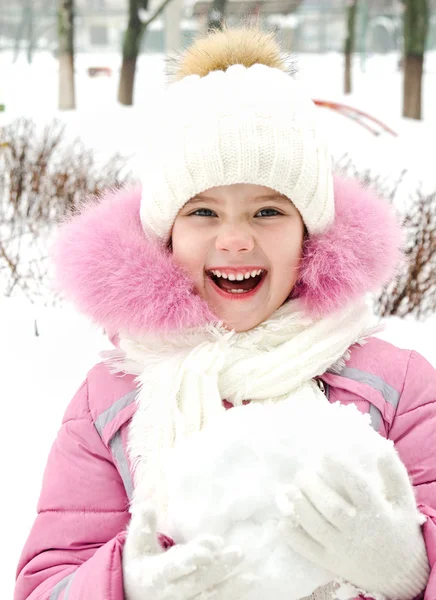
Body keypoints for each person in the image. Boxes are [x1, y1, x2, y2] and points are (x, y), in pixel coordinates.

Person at [14, 26, 436, 600]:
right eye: (204, 212)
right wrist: (128, 585)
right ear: (164, 235)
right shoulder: (110, 403)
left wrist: (409, 569)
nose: (235, 239)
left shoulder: (397, 387)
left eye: (267, 210)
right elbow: (45, 584)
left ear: (309, 234)